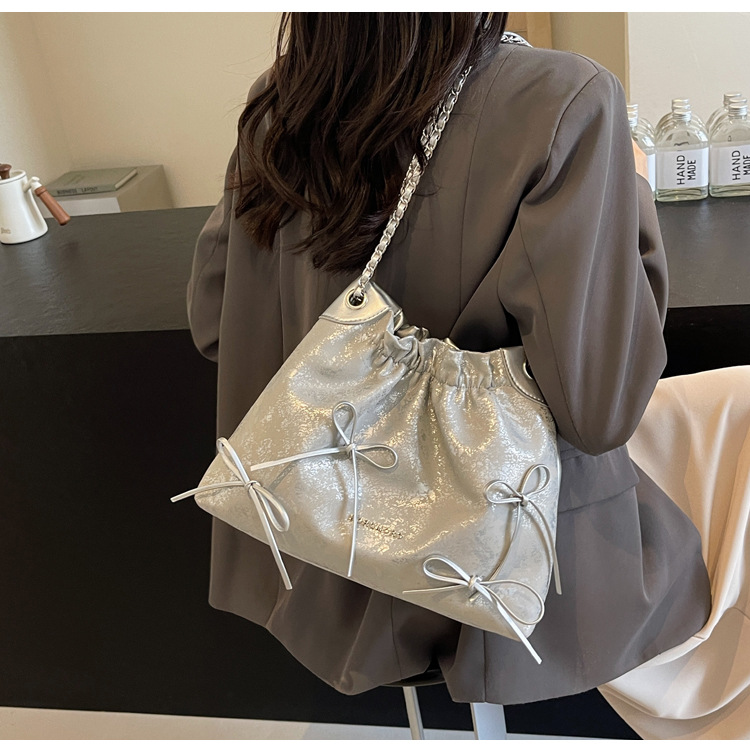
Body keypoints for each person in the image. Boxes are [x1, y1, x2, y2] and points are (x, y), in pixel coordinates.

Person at [186, 13, 710, 706]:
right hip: (499, 587)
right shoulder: (565, 97)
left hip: (320, 562)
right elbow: (600, 409)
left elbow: (213, 326)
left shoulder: (281, 101)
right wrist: (628, 186)